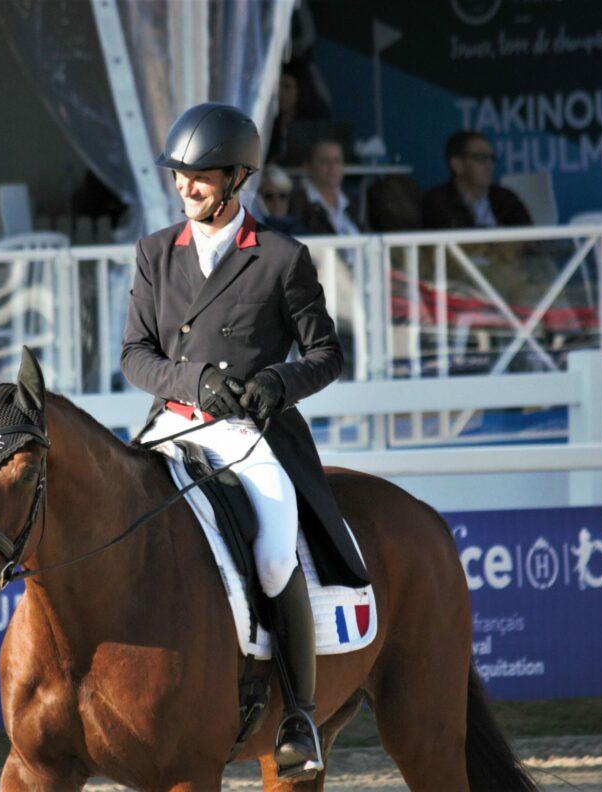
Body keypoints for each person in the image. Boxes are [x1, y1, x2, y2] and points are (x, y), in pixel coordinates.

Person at [121, 102, 370, 777]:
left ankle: (297, 715)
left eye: (199, 175)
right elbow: (134, 355)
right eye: (179, 174)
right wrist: (192, 380)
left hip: (248, 433)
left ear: (237, 177)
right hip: (175, 421)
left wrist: (277, 384)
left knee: (271, 550)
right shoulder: (155, 255)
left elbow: (326, 355)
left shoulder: (283, 258)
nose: (185, 186)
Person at [422, 130, 532, 230]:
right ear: (457, 165)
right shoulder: (437, 202)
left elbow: (529, 238)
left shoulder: (505, 198)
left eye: (491, 158)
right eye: (481, 158)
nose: (489, 165)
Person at [290, 137, 365, 236]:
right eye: (324, 161)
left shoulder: (350, 201)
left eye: (337, 160)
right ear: (309, 166)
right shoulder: (298, 203)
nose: (332, 167)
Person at [257, 165, 306, 236]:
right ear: (260, 198)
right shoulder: (255, 228)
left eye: (282, 196)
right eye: (269, 196)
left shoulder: (299, 227)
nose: (276, 203)